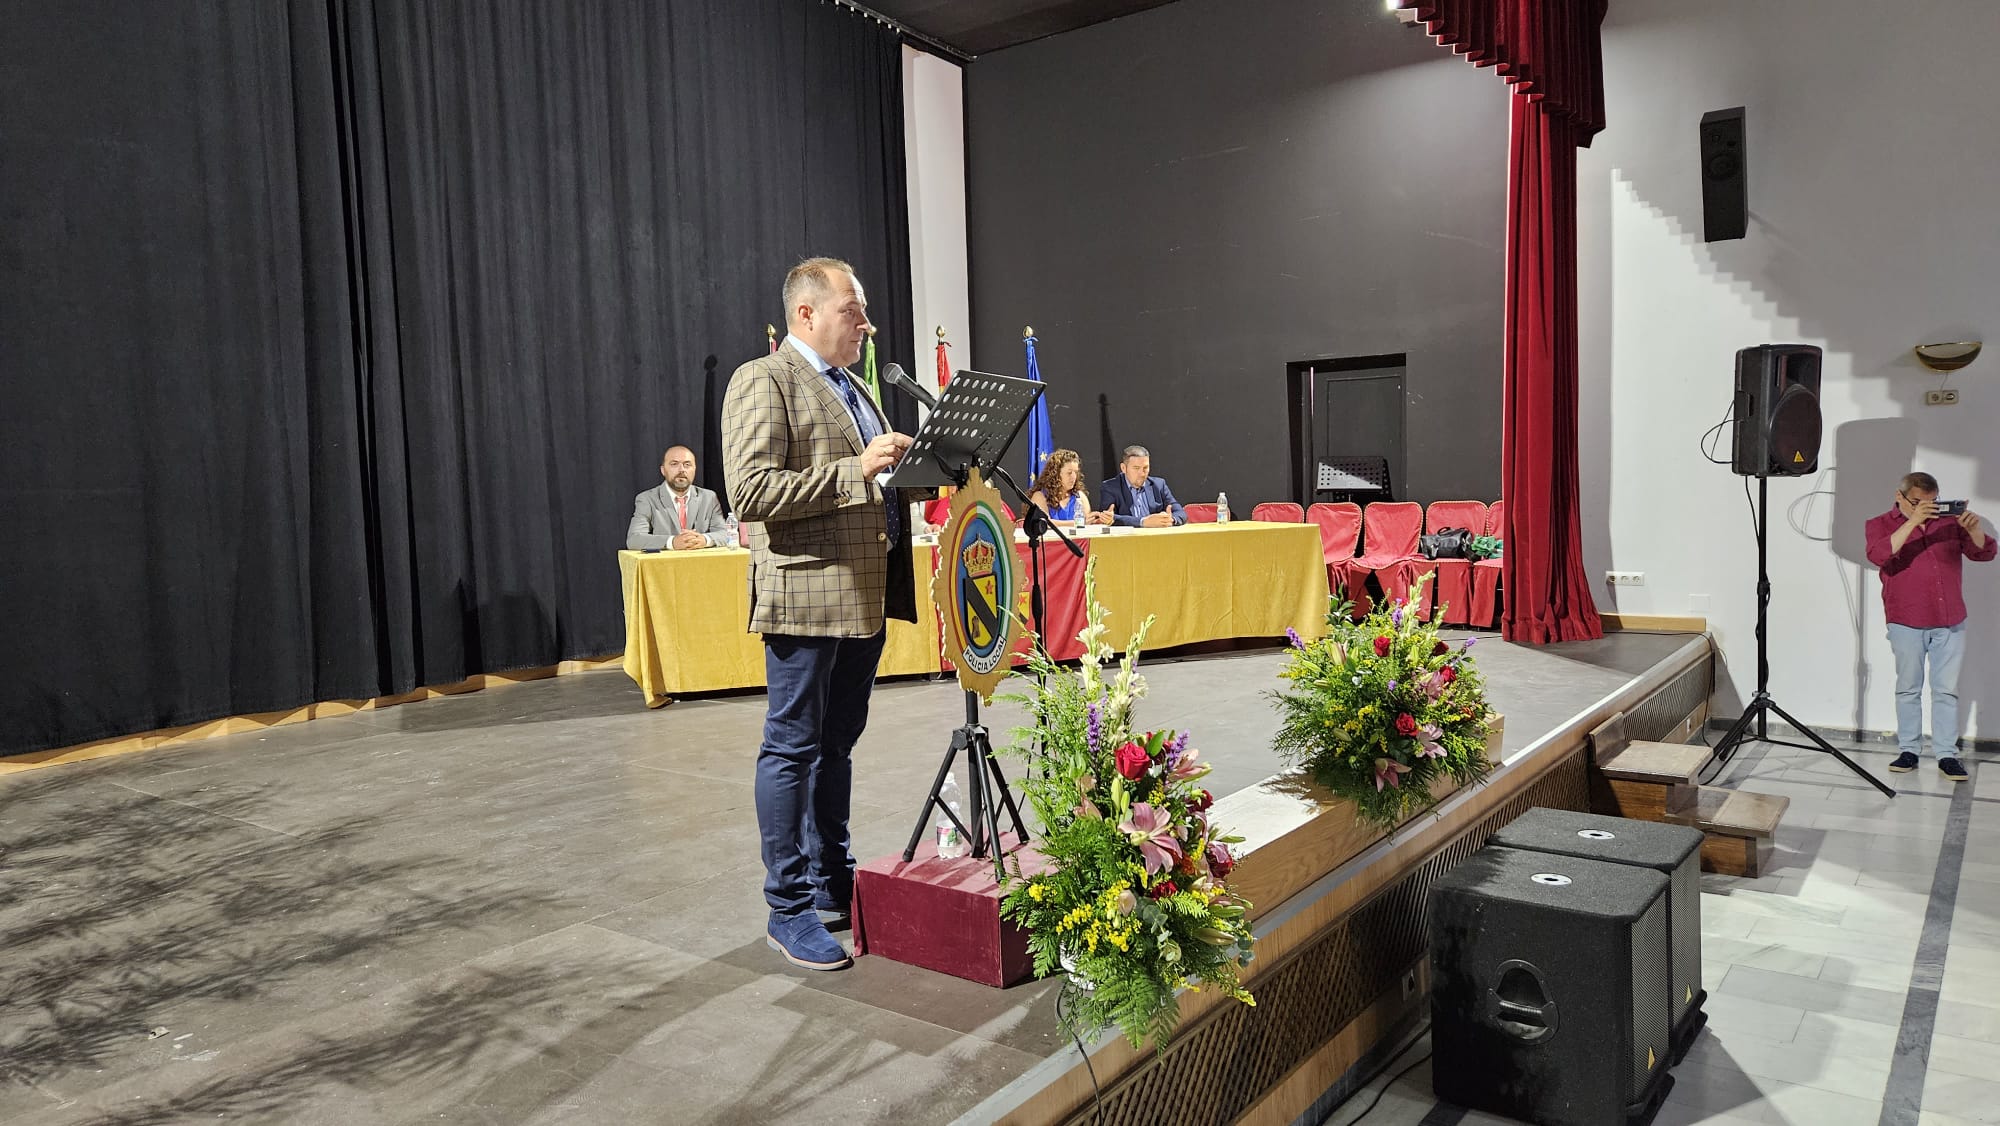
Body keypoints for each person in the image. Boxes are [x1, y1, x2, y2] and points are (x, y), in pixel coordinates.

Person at [722, 257, 915, 971]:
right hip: (806, 595)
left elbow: (877, 478)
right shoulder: (763, 378)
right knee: (792, 747)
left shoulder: (857, 386)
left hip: (863, 597)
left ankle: (834, 878)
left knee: (837, 746)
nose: (865, 324)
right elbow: (750, 492)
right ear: (806, 315)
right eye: (852, 311)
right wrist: (859, 470)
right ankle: (789, 907)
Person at [1864, 471, 1993, 782]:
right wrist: (1911, 522)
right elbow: (1878, 554)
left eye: (1933, 502)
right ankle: (1909, 749)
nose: (1929, 507)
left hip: (1950, 619)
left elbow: (1984, 553)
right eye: (1920, 502)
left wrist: (1974, 531)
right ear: (1900, 496)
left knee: (1945, 690)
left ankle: (1947, 753)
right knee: (1908, 687)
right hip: (1905, 619)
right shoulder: (1879, 524)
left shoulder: (1950, 523)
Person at [626, 445, 731, 550]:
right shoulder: (647, 499)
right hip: (665, 565)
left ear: (695, 469)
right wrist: (672, 542)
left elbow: (726, 534)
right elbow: (634, 539)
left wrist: (705, 539)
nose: (681, 470)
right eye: (674, 464)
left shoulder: (709, 497)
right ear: (663, 470)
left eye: (687, 464)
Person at [1096, 444, 1186, 528]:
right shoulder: (1110, 487)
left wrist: (1171, 520)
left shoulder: (1159, 485)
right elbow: (1107, 516)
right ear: (1123, 468)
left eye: (1145, 468)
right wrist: (1143, 522)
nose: (1142, 473)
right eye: (1136, 468)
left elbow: (1180, 512)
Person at [1029, 449, 1092, 526]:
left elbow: (1088, 522)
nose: (1074, 477)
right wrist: (1078, 523)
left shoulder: (1080, 496)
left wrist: (1101, 519)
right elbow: (1045, 524)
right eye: (1069, 473)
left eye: (1076, 472)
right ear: (1056, 474)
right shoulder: (1040, 496)